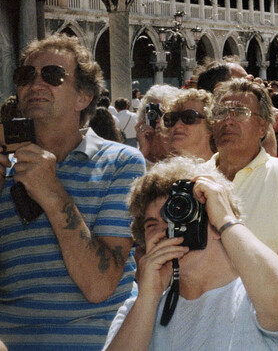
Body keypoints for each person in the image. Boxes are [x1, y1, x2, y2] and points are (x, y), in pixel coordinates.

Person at [0, 35, 146, 349]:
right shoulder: (3, 170)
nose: (36, 84)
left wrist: (52, 193)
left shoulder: (121, 163)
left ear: (83, 96)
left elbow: (99, 284)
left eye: (52, 75)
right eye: (26, 76)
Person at [104, 157, 278, 350]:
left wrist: (227, 221)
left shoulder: (256, 294)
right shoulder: (141, 307)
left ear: (214, 218)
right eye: (151, 225)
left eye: (178, 216)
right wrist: (149, 296)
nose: (167, 231)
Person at [208, 79, 278, 251]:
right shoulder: (195, 178)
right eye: (221, 113)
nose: (228, 120)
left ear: (262, 127)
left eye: (239, 112)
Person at [135, 85, 182, 164]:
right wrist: (142, 152)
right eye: (153, 113)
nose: (159, 120)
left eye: (165, 114)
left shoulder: (185, 152)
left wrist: (169, 147)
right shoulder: (133, 155)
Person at [163, 89, 214, 161]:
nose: (177, 125)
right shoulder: (161, 171)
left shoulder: (226, 169)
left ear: (210, 124)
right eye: (172, 118)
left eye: (189, 117)